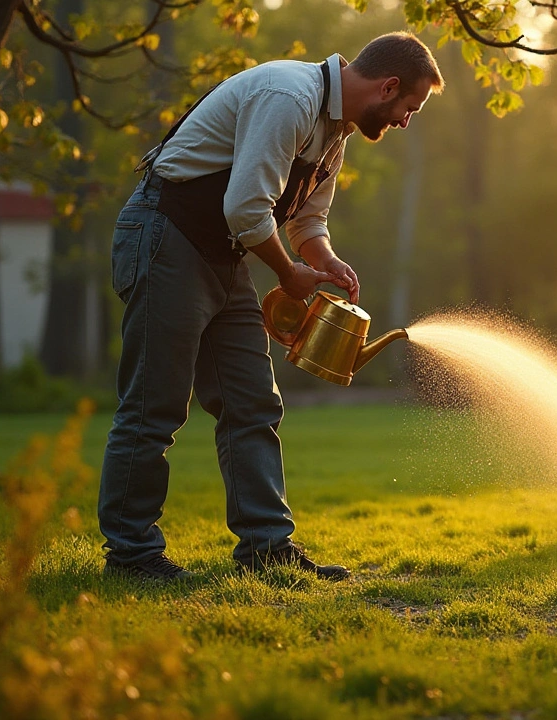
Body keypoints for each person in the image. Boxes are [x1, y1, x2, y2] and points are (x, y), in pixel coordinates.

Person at [98, 33, 444, 582]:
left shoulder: (336, 132)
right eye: (409, 108)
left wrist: (324, 261)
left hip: (223, 253)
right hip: (165, 235)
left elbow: (306, 221)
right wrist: (289, 274)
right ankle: (132, 554)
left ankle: (266, 548)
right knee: (155, 403)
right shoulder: (290, 96)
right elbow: (245, 207)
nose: (406, 120)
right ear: (389, 86)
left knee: (253, 402)